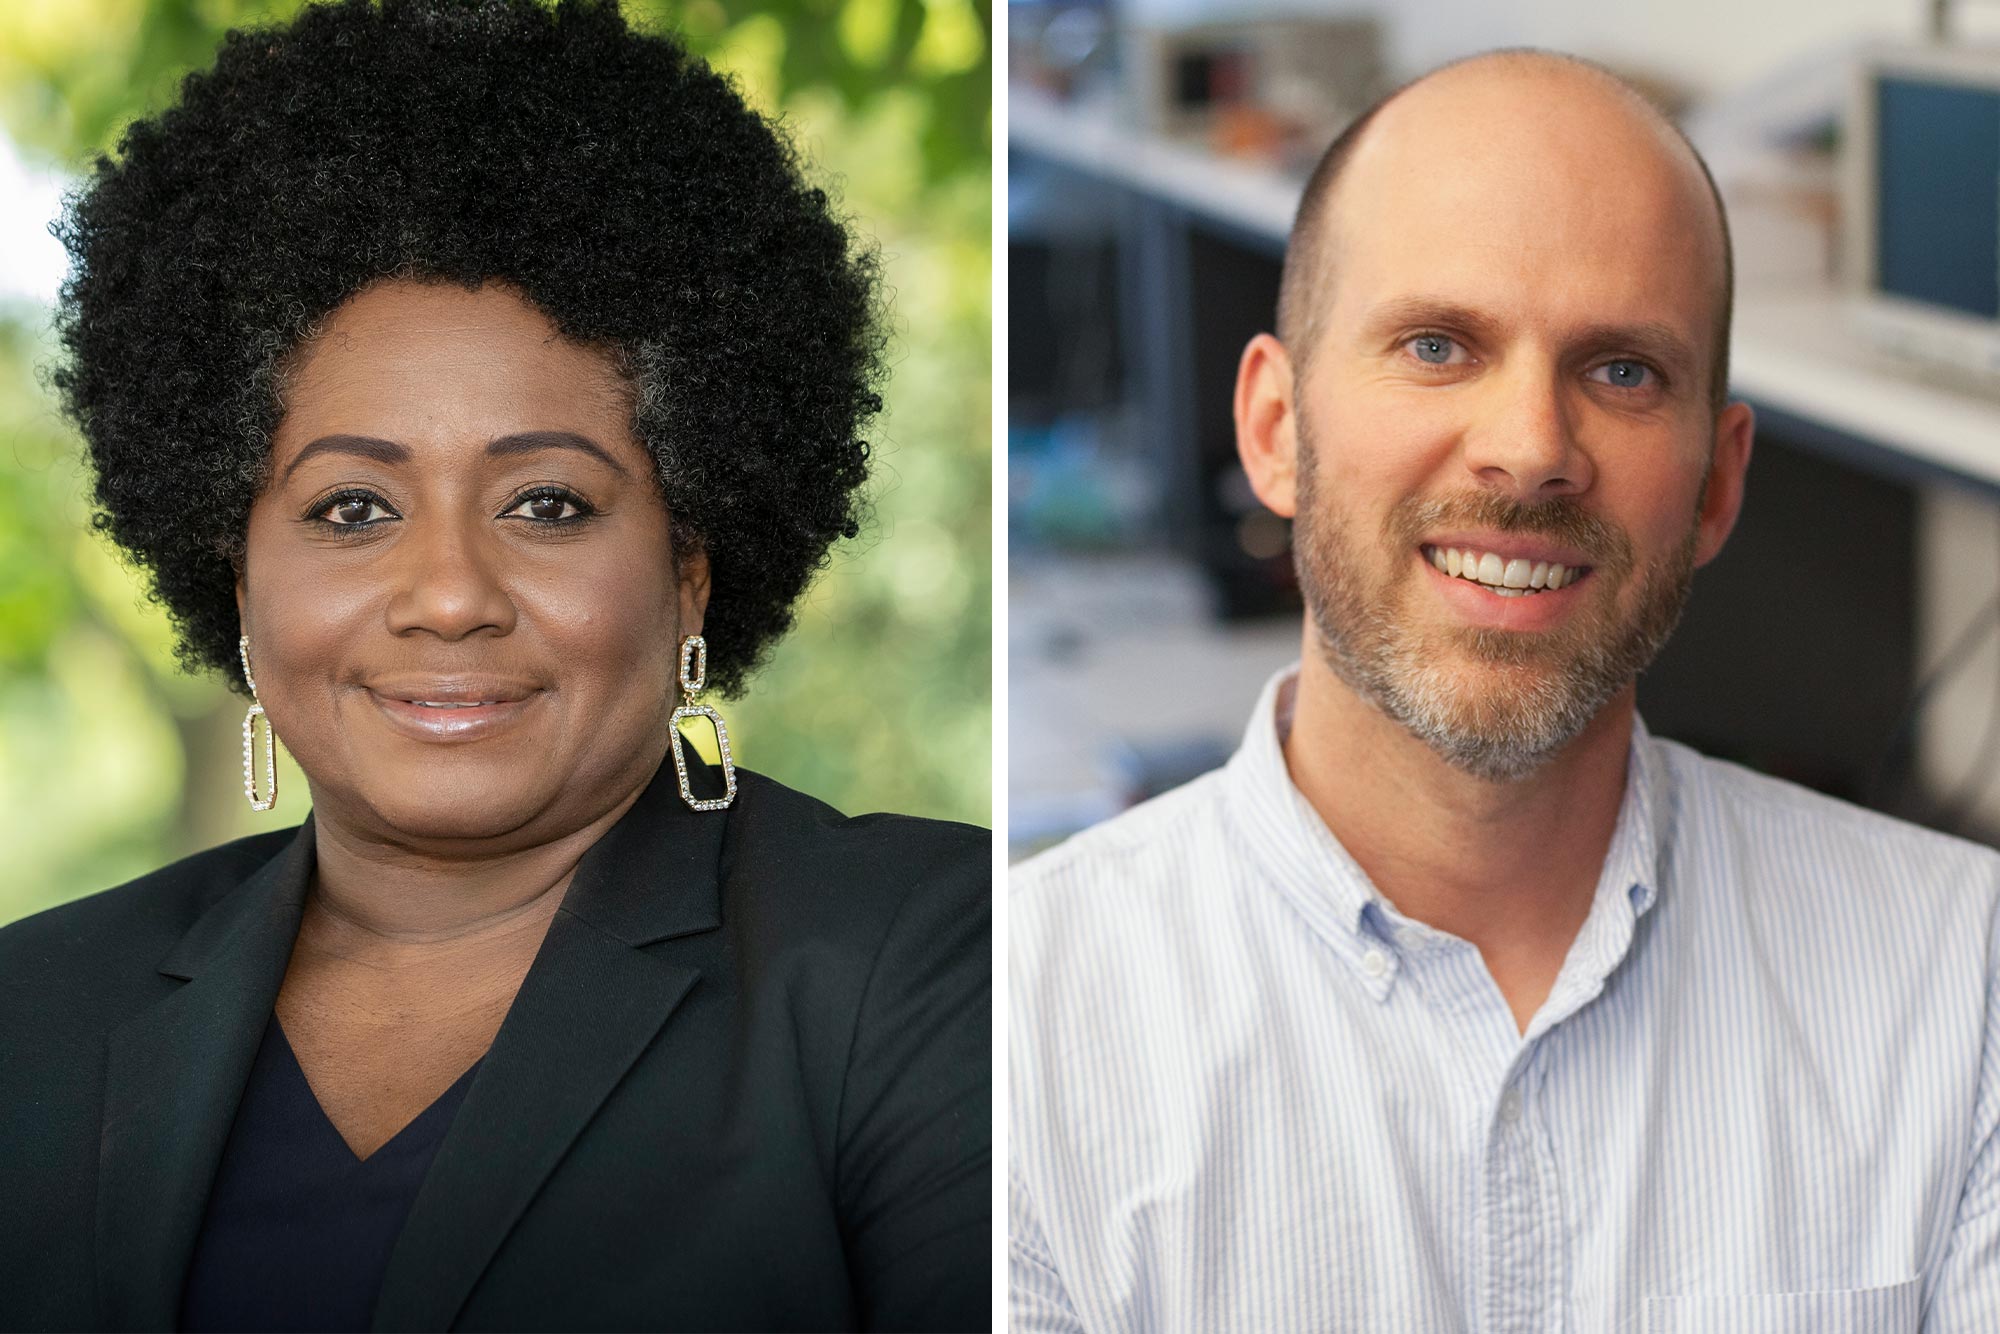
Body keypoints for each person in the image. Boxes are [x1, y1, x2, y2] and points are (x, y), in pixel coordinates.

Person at [0, 2, 989, 1330]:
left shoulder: (927, 965)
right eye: (353, 507)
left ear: (689, 564)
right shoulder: (33, 1015)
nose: (452, 595)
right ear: (237, 573)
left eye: (548, 504)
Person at [1010, 49, 1998, 1332]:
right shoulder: (1021, 1036)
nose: (1529, 448)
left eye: (1622, 371)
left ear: (1714, 484)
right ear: (1273, 430)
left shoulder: (1963, 985)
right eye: (1435, 344)